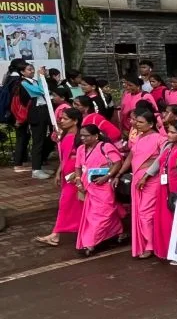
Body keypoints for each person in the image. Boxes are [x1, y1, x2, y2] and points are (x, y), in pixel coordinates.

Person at [118, 110, 166, 259]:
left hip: (151, 179)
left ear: (151, 124)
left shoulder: (160, 138)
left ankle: (150, 245)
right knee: (139, 212)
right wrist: (119, 174)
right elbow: (130, 158)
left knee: (145, 213)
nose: (135, 124)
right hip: (137, 178)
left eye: (140, 122)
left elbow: (161, 159)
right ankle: (146, 243)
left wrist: (146, 175)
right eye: (136, 121)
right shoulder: (138, 138)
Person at [35, 108, 84, 246]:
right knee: (70, 204)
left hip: (75, 175)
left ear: (75, 121)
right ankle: (58, 233)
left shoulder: (80, 137)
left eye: (65, 119)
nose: (61, 121)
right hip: (67, 175)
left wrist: (77, 173)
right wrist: (58, 173)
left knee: (67, 204)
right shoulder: (66, 135)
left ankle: (56, 234)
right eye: (61, 118)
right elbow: (63, 158)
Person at [73, 124, 125, 256]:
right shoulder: (80, 149)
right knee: (94, 215)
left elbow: (117, 162)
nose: (83, 138)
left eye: (86, 135)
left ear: (96, 136)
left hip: (104, 187)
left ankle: (89, 243)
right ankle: (118, 232)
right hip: (88, 186)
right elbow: (78, 167)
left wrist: (107, 176)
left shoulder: (105, 146)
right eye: (82, 135)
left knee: (101, 215)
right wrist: (78, 181)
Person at [151, 119, 177, 261]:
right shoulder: (168, 147)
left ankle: (176, 252)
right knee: (163, 219)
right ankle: (165, 249)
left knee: (175, 220)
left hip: (176, 188)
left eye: (173, 132)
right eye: (169, 131)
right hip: (163, 187)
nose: (169, 134)